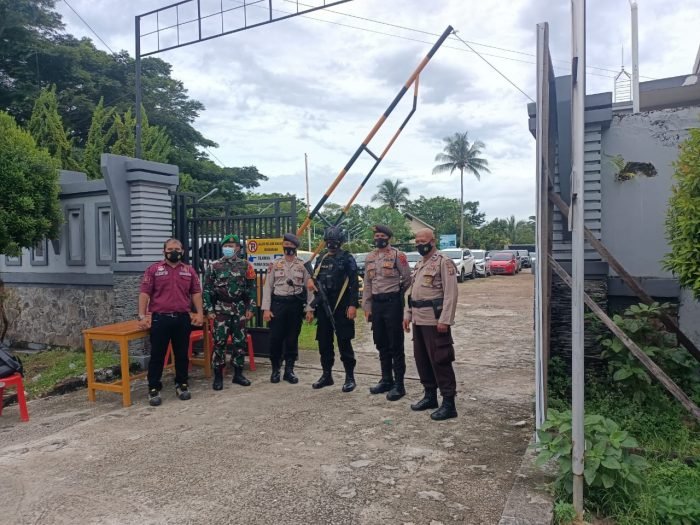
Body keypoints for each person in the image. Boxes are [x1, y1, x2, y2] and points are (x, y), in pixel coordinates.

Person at [138, 238, 203, 407]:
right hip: (160, 318)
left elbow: (196, 293)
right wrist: (142, 315)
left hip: (182, 319)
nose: (174, 251)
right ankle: (153, 388)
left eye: (177, 249)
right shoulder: (154, 270)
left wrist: (200, 313)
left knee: (182, 354)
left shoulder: (189, 271)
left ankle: (182, 384)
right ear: (164, 251)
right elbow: (144, 293)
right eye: (170, 248)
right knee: (157, 355)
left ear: (182, 251)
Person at [402, 228, 459, 420]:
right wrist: (407, 314)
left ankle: (449, 403)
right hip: (418, 319)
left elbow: (451, 294)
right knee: (422, 360)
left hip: (434, 321)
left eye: (422, 240)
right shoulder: (419, 263)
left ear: (433, 241)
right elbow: (413, 293)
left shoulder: (444, 262)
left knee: (440, 360)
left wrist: (445, 319)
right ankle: (429, 396)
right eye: (416, 241)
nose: (419, 244)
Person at [362, 224, 411, 401]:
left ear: (388, 238)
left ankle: (399, 385)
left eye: (382, 235)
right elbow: (367, 284)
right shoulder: (370, 257)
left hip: (392, 304)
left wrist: (395, 295)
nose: (378, 238)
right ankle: (386, 379)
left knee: (395, 345)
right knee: (381, 343)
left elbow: (407, 279)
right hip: (377, 305)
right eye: (376, 236)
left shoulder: (398, 255)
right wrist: (367, 307)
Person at [307, 226, 359, 392]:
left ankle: (350, 377)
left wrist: (352, 305)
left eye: (334, 242)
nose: (331, 245)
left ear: (341, 242)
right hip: (323, 305)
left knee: (344, 341)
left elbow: (353, 283)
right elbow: (315, 278)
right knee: (324, 342)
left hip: (341, 306)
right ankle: (326, 375)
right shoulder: (322, 258)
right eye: (329, 242)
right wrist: (311, 282)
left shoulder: (347, 258)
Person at [203, 234, 257, 391]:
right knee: (219, 343)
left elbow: (251, 289)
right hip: (221, 309)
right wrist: (209, 309)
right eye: (226, 246)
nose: (229, 248)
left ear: (238, 248)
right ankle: (218, 376)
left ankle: (238, 374)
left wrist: (251, 308)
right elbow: (206, 289)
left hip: (239, 308)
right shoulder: (214, 266)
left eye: (232, 246)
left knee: (239, 343)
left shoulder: (246, 266)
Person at [261, 233, 313, 384]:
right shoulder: (275, 264)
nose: (288, 247)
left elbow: (309, 289)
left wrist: (309, 309)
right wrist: (266, 309)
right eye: (286, 244)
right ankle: (275, 369)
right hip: (278, 305)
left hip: (295, 305)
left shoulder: (303, 265)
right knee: (275, 338)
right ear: (283, 245)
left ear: (296, 247)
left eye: (291, 245)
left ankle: (289, 370)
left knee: (292, 338)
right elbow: (267, 287)